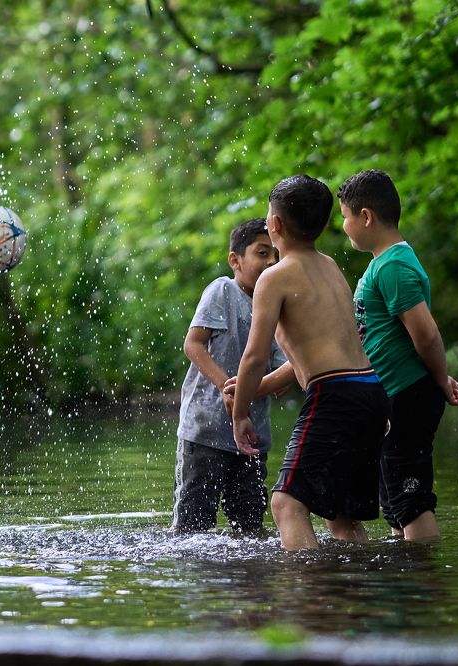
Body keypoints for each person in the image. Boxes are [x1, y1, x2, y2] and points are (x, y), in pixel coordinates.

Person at [230, 175, 390, 551]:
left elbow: (253, 356)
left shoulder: (274, 278)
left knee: (286, 503)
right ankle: (352, 595)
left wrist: (240, 413)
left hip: (333, 396)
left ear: (275, 225)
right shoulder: (330, 266)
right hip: (369, 391)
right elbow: (323, 354)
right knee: (341, 514)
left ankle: (309, 596)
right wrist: (263, 385)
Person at [337, 169, 458, 542]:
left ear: (366, 217)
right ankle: (404, 580)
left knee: (410, 496)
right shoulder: (382, 264)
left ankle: (422, 586)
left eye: (345, 217)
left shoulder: (393, 265)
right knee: (394, 496)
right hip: (394, 394)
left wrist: (440, 378)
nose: (344, 226)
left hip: (409, 393)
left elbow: (425, 333)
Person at [172, 218, 290, 534]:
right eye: (262, 253)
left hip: (252, 438)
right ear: (235, 261)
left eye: (275, 254)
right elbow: (193, 344)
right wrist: (228, 386)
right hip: (205, 430)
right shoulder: (222, 290)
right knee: (192, 528)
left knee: (250, 526)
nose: (271, 262)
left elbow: (284, 368)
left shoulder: (277, 307)